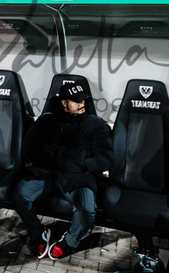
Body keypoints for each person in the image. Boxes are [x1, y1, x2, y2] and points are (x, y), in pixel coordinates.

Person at [14, 83, 111, 260]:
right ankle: (38, 233)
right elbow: (29, 147)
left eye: (83, 100)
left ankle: (70, 242)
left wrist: (80, 164)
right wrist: (46, 159)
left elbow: (106, 159)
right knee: (20, 194)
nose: (82, 104)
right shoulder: (47, 120)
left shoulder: (95, 124)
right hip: (47, 173)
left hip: (77, 177)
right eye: (76, 101)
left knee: (86, 210)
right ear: (64, 103)